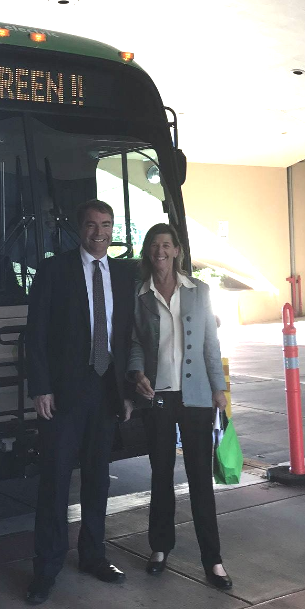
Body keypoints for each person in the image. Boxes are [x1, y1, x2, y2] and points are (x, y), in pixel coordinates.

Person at [24, 199, 136, 605]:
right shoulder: (54, 270)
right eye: (91, 225)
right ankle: (46, 569)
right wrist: (41, 387)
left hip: (106, 391)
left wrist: (127, 392)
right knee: (55, 481)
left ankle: (94, 555)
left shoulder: (124, 274)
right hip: (62, 394)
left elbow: (127, 336)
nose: (99, 233)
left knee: (97, 479)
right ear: (79, 228)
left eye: (106, 225)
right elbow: (35, 333)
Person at [127, 223, 232, 590]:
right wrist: (137, 372)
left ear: (176, 251)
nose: (161, 251)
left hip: (196, 396)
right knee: (160, 475)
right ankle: (160, 548)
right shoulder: (139, 294)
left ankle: (213, 558)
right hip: (157, 395)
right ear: (148, 251)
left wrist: (218, 389)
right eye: (154, 245)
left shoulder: (198, 291)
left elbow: (210, 343)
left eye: (166, 245)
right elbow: (135, 342)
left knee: (200, 477)